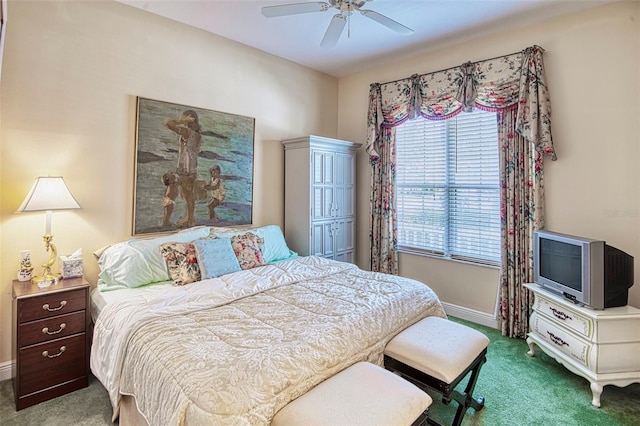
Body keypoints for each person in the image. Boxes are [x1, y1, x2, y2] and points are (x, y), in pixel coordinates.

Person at [163, 110, 202, 227]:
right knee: (188, 194)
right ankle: (190, 219)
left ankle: (167, 220)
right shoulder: (197, 135)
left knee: (171, 194)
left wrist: (181, 121)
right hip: (191, 170)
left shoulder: (187, 132)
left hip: (184, 170)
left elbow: (167, 123)